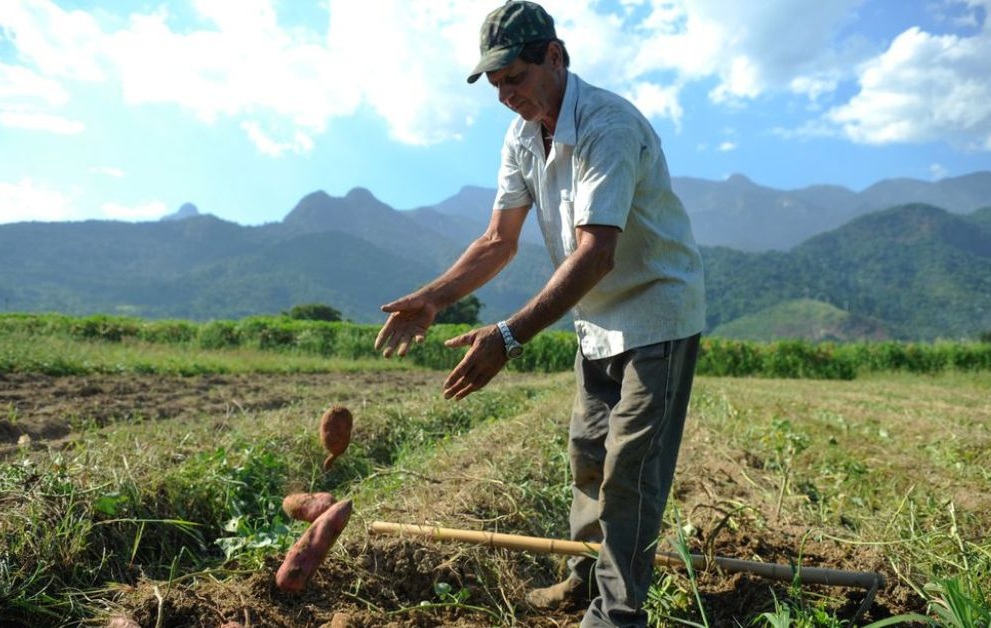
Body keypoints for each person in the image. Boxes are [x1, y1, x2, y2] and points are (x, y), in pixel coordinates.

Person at [374, 1, 706, 625]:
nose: (505, 95)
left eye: (514, 78)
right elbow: (499, 239)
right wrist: (434, 297)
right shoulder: (523, 133)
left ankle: (615, 615)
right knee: (588, 456)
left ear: (554, 56)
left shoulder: (607, 124)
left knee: (630, 472)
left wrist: (508, 335)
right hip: (597, 320)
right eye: (495, 84)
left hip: (657, 312)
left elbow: (597, 252)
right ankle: (584, 577)